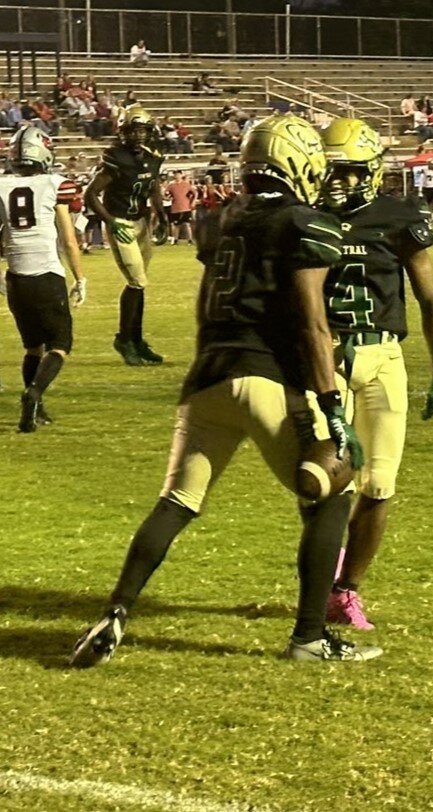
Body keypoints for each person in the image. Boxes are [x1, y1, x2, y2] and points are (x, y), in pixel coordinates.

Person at [70, 113, 380, 668]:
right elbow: (312, 323)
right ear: (298, 163)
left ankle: (116, 610)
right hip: (263, 378)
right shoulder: (304, 223)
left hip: (206, 377)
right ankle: (309, 636)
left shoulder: (220, 219)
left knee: (177, 501)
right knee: (332, 497)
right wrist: (332, 406)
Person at [319, 117, 433, 629]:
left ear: (372, 170)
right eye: (333, 171)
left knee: (379, 483)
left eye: (351, 172)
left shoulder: (398, 217)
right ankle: (320, 576)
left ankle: (346, 590)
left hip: (382, 356)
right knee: (329, 480)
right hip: (325, 362)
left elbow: (430, 298)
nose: (340, 182)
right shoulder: (307, 216)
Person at [0, 127, 87, 432]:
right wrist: (80, 278)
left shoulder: (2, 185)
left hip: (15, 279)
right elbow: (69, 240)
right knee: (60, 345)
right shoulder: (55, 184)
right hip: (47, 276)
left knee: (32, 347)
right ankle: (34, 393)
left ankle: (37, 410)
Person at [84, 104, 167, 366]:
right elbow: (90, 193)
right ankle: (124, 339)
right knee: (136, 282)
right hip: (121, 222)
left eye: (143, 131)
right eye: (134, 130)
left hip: (142, 222)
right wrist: (110, 221)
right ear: (124, 131)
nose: (139, 136)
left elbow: (153, 186)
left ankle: (137, 340)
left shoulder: (153, 155)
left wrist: (161, 215)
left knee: (140, 284)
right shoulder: (116, 157)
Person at [167, 170, 195, 244]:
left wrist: (193, 202)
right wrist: (167, 198)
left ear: (181, 175)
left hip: (186, 207)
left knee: (187, 224)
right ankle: (175, 240)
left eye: (178, 174)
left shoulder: (186, 184)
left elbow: (195, 193)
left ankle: (190, 240)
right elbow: (165, 194)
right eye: (176, 175)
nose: (177, 176)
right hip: (175, 208)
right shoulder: (171, 185)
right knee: (176, 225)